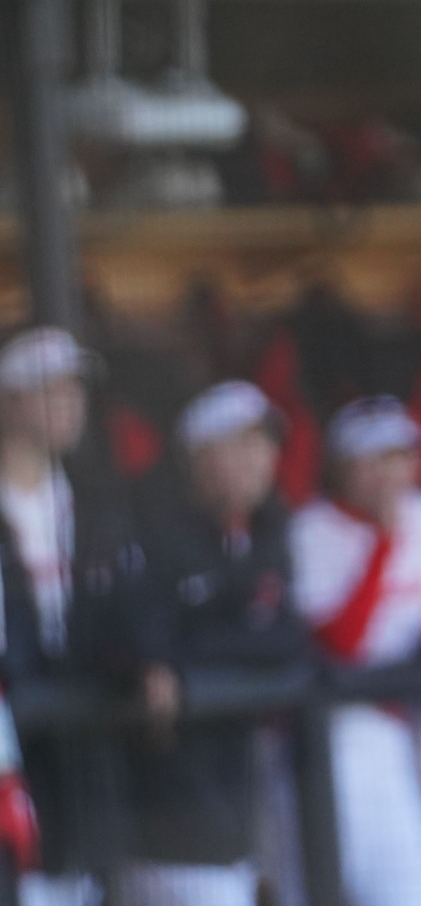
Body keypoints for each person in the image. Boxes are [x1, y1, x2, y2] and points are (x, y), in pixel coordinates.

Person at [123, 381, 313, 906]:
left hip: (247, 799)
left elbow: (287, 640)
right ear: (199, 457)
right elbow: (139, 640)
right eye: (241, 445)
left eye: (265, 444)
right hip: (169, 814)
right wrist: (181, 662)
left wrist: (195, 653)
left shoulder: (270, 528)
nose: (260, 460)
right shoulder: (151, 529)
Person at [289, 397, 421, 906]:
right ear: (344, 467)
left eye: (401, 456)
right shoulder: (312, 528)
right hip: (337, 735)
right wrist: (384, 543)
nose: (391, 472)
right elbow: (343, 644)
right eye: (375, 459)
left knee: (416, 891)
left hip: (403, 729)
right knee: (334, 886)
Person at [0, 327, 148, 906]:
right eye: (50, 389)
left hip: (83, 764)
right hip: (16, 752)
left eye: (75, 390)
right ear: (8, 400)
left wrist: (145, 662)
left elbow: (130, 613)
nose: (69, 403)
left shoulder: (94, 502)